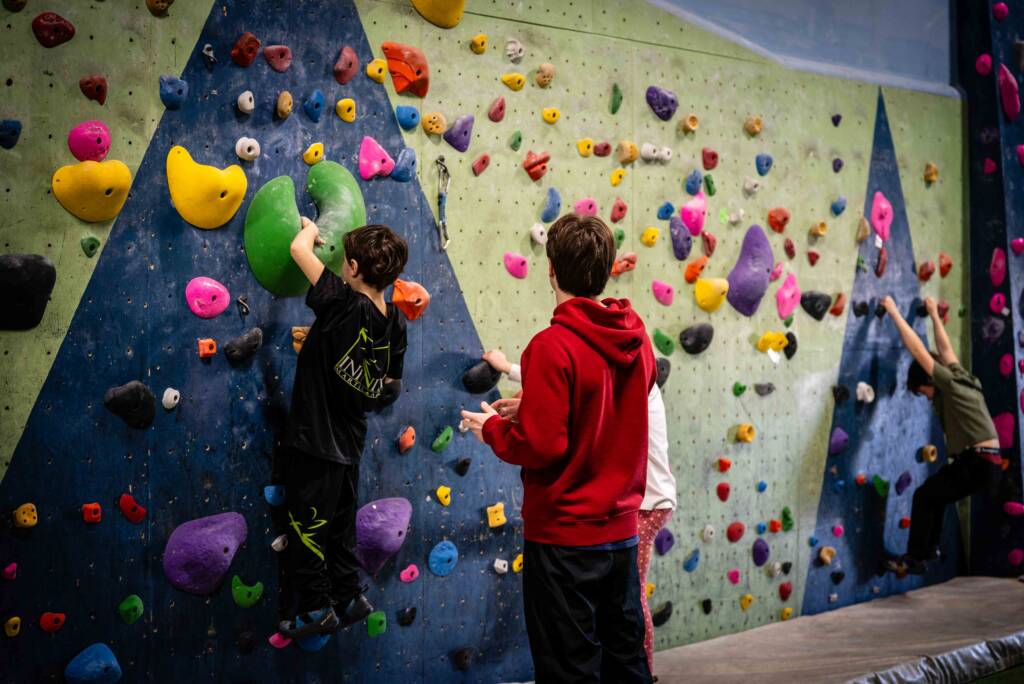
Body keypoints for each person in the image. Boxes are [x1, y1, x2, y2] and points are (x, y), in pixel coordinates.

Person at [461, 214, 656, 684]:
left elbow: (543, 446)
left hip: (565, 539)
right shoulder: (636, 336)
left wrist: (492, 430)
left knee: (569, 669)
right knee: (626, 661)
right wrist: (533, 404)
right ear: (607, 270)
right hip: (621, 533)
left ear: (551, 270)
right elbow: (614, 406)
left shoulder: (551, 346)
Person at [479, 349, 676, 675]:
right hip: (643, 500)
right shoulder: (627, 377)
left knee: (628, 604)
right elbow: (577, 397)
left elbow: (578, 402)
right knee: (623, 604)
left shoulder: (625, 381)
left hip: (642, 503)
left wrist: (511, 404)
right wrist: (516, 383)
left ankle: (643, 671)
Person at [276, 218, 408, 639]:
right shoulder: (396, 323)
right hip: (350, 444)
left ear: (351, 268)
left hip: (315, 439)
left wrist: (310, 228)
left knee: (305, 527)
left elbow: (300, 251)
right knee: (338, 525)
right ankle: (350, 595)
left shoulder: (340, 301)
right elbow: (390, 386)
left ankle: (316, 609)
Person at [880, 295, 1001, 576]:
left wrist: (893, 312)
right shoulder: (962, 378)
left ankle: (915, 558)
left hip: (977, 460)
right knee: (937, 496)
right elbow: (945, 350)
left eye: (923, 392)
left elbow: (919, 351)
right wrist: (934, 314)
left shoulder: (947, 385)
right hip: (988, 463)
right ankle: (928, 550)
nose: (926, 398)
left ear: (930, 381)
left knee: (924, 496)